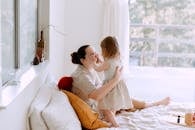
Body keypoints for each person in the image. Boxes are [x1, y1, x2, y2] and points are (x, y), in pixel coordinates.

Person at [70, 44, 170, 127]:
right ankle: (117, 122)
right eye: (92, 54)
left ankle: (154, 104)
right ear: (83, 60)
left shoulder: (90, 69)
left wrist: (105, 66)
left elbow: (101, 87)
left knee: (124, 98)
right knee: (118, 101)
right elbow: (96, 96)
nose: (96, 55)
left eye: (95, 52)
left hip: (100, 103)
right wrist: (116, 79)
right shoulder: (81, 76)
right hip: (95, 109)